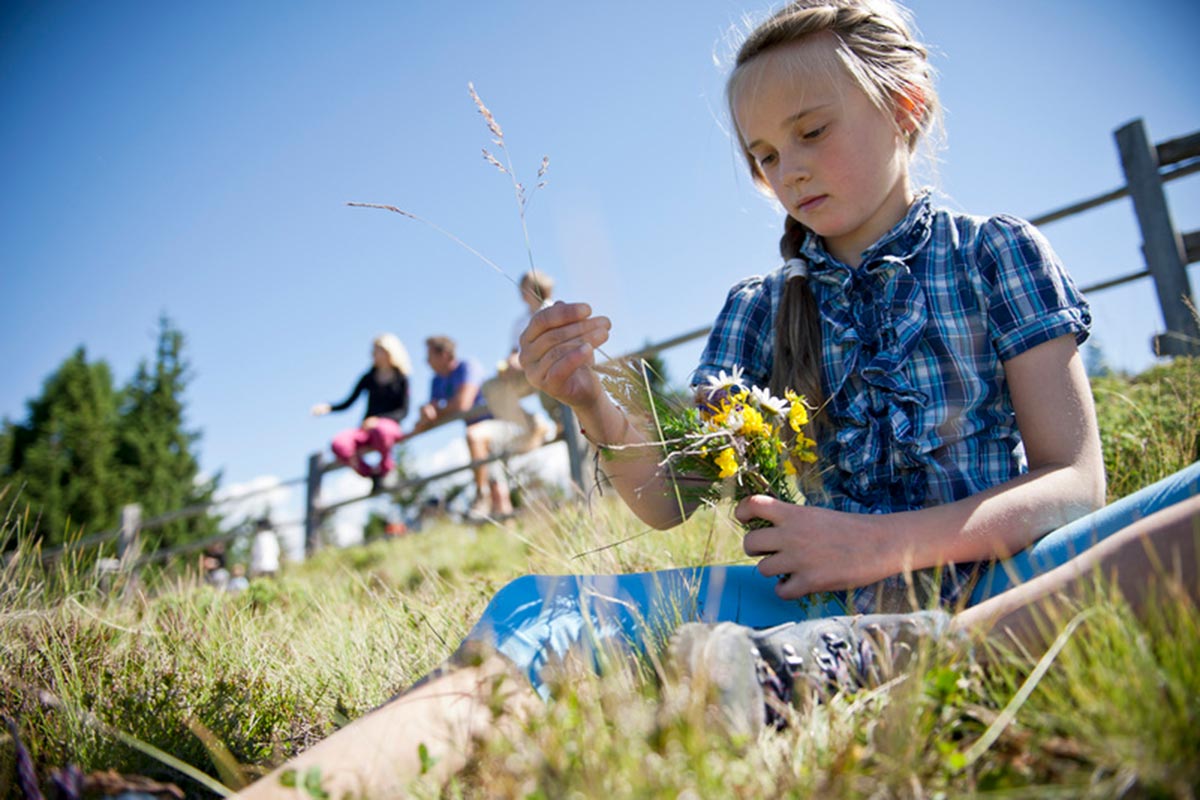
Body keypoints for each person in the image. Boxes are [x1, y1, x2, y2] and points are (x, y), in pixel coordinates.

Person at [234, 2, 1199, 795]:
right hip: (800, 605)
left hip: (1015, 577)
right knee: (539, 610)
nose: (787, 170)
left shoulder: (997, 253)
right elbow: (668, 498)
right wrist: (594, 406)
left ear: (906, 105)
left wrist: (875, 546)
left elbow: (1074, 484)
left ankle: (898, 654)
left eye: (811, 132)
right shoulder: (758, 309)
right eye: (762, 155)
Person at [412, 335, 514, 520]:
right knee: (496, 482)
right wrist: (426, 413)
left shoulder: (468, 367)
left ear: (444, 354)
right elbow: (433, 411)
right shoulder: (436, 381)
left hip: (498, 425)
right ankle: (503, 522)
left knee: (495, 481)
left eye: (429, 356)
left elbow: (462, 404)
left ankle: (482, 495)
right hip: (478, 436)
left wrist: (437, 411)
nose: (426, 362)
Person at [311, 333, 412, 493]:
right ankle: (371, 474)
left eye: (376, 350)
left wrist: (378, 419)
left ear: (388, 351)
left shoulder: (401, 378)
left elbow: (403, 411)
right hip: (366, 429)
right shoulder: (369, 377)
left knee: (381, 430)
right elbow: (349, 401)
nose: (372, 354)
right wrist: (329, 407)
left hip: (388, 427)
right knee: (339, 443)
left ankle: (386, 470)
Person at [481, 270, 559, 452]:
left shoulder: (554, 310)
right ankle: (533, 424)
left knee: (545, 371)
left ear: (539, 287)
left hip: (549, 369)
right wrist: (508, 366)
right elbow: (514, 353)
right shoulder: (519, 323)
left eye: (526, 288)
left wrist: (525, 359)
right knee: (491, 388)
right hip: (525, 374)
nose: (521, 293)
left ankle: (560, 422)